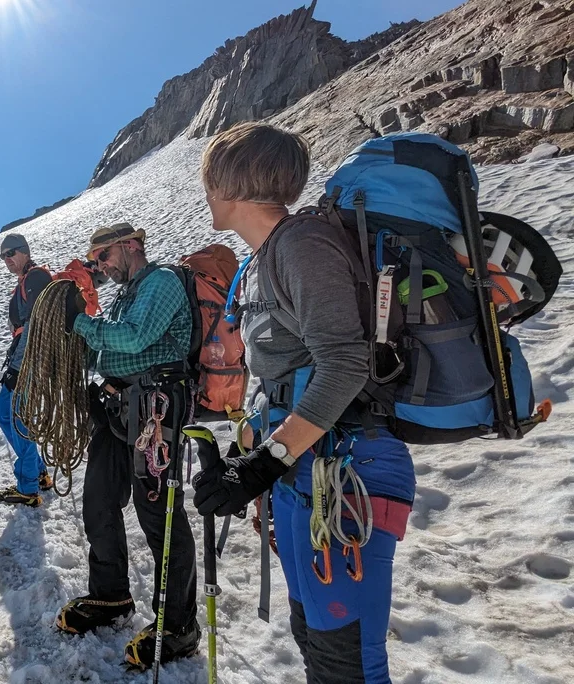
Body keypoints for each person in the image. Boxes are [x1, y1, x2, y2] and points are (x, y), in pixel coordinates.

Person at [192, 122, 414, 683]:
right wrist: (248, 457)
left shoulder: (302, 244)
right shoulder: (258, 262)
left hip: (349, 468)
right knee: (314, 638)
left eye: (210, 179)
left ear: (232, 183)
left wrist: (267, 462)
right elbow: (286, 375)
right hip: (307, 469)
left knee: (348, 660)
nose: (206, 192)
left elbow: (344, 363)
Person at [55, 222, 200, 668]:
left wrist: (81, 322)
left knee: (157, 511)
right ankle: (111, 595)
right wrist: (73, 337)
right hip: (120, 404)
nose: (99, 265)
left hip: (155, 407)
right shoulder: (123, 295)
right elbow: (109, 352)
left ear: (131, 245)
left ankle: (179, 625)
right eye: (95, 260)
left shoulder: (161, 282)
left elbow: (136, 338)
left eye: (102, 255)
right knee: (98, 499)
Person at [0, 234, 55, 506]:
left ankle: (28, 487)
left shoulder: (35, 279)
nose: (7, 259)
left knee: (18, 420)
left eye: (12, 253)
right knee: (5, 413)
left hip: (30, 360)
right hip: (27, 359)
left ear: (25, 252)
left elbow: (35, 326)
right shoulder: (27, 280)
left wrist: (18, 367)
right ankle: (38, 472)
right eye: (3, 256)